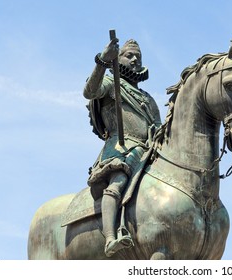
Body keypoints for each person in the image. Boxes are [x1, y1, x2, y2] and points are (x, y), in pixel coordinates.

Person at [83, 38, 161, 257]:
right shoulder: (110, 83)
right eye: (129, 55)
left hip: (148, 152)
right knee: (117, 183)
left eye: (138, 56)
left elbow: (157, 127)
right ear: (118, 59)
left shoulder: (148, 99)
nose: (135, 59)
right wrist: (102, 61)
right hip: (121, 149)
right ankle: (110, 238)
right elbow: (90, 91)